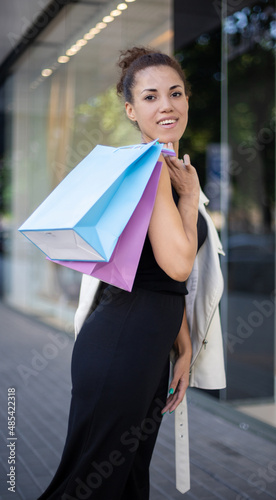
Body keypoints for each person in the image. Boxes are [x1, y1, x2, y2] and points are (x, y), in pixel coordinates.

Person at [37, 46, 225, 500]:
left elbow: (158, 278)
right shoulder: (153, 172)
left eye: (175, 93)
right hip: (121, 345)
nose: (166, 105)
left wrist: (182, 348)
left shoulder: (169, 169)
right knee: (90, 484)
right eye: (150, 97)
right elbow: (179, 265)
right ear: (131, 110)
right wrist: (188, 199)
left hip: (143, 348)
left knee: (124, 484)